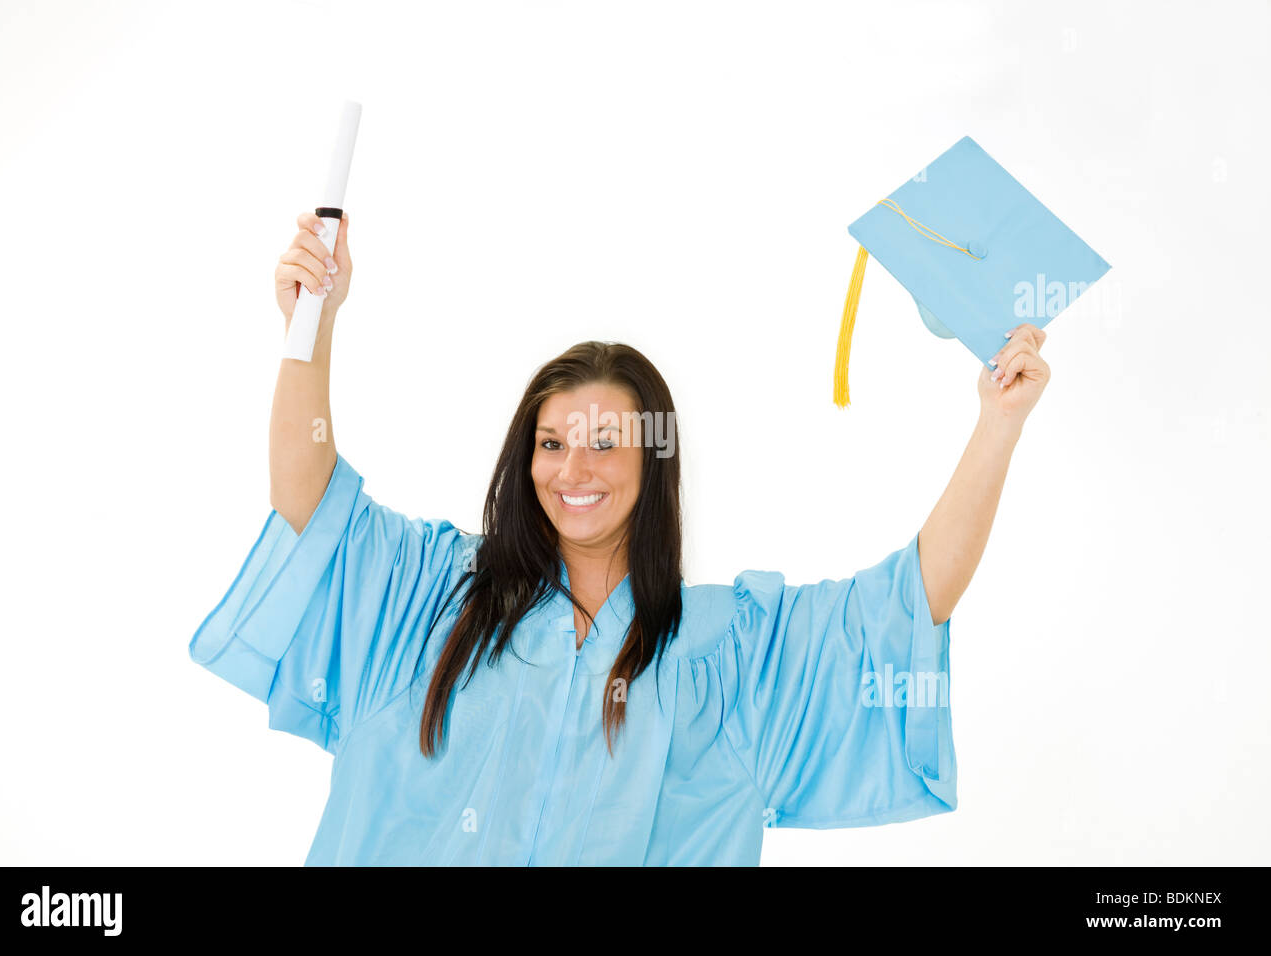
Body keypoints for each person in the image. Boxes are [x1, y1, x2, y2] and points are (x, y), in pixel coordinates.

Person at [189, 209, 1050, 866]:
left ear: (654, 462)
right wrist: (313, 326)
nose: (576, 469)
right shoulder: (429, 599)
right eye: (554, 443)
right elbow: (311, 504)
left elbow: (910, 600)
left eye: (607, 443)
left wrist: (998, 423)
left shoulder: (732, 657)